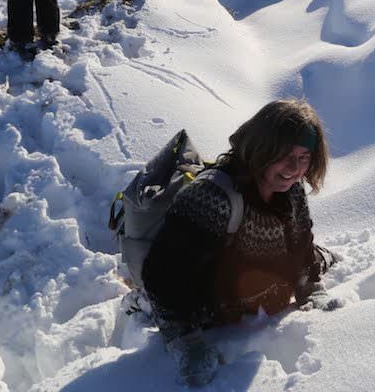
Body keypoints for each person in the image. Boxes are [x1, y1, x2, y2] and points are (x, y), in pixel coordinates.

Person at [143, 99, 338, 387]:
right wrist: (184, 339)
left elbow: (301, 245)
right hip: (210, 313)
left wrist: (309, 284)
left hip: (259, 303)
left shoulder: (292, 191)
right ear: (261, 147)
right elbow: (162, 278)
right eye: (284, 154)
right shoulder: (212, 197)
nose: (294, 168)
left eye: (304, 156)